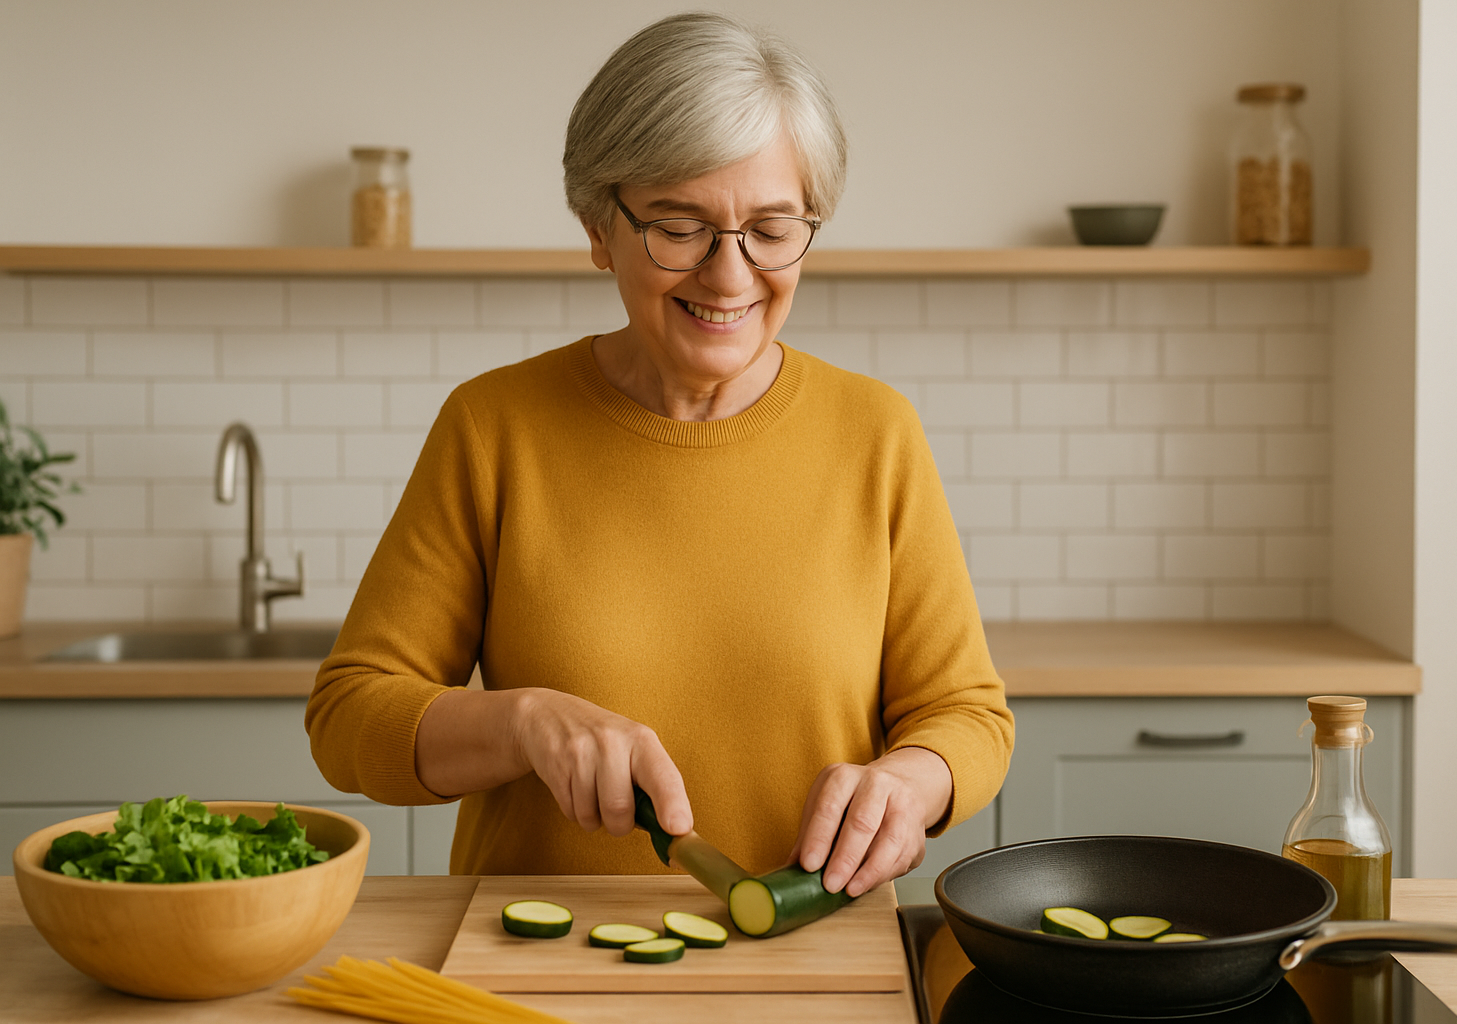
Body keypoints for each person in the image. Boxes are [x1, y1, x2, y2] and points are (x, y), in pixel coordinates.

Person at [306, 11, 1012, 900]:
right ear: (599, 228)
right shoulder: (494, 428)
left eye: (772, 226)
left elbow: (968, 717)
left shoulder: (876, 434)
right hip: (539, 962)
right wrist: (522, 723)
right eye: (679, 227)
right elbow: (348, 717)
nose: (730, 274)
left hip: (809, 959)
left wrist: (913, 782)